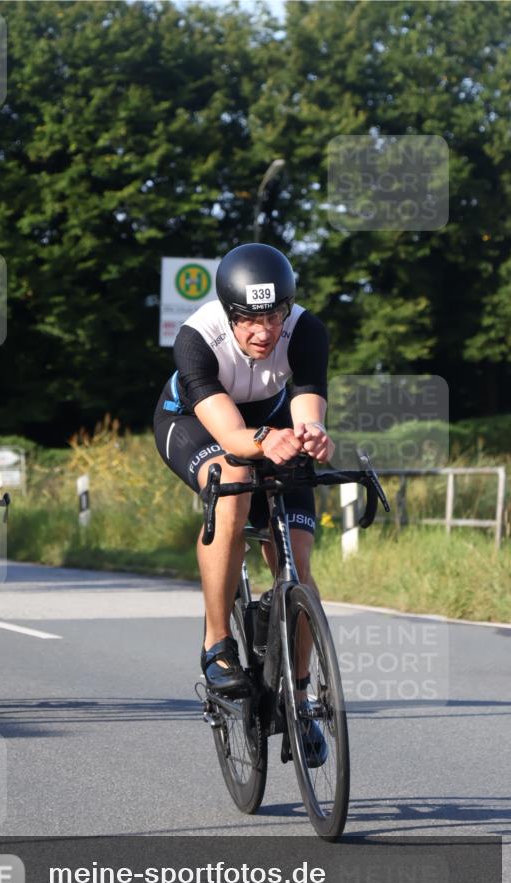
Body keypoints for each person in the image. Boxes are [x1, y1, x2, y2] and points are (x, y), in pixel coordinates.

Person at [154, 244, 335, 760]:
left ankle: (299, 701)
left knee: (297, 564)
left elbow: (306, 405)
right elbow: (233, 435)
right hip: (196, 425)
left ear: (288, 307)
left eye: (273, 316)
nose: (263, 331)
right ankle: (217, 644)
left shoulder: (308, 331)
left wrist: (313, 433)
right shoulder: (196, 339)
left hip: (269, 425)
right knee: (232, 483)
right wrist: (262, 441)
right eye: (249, 319)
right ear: (230, 313)